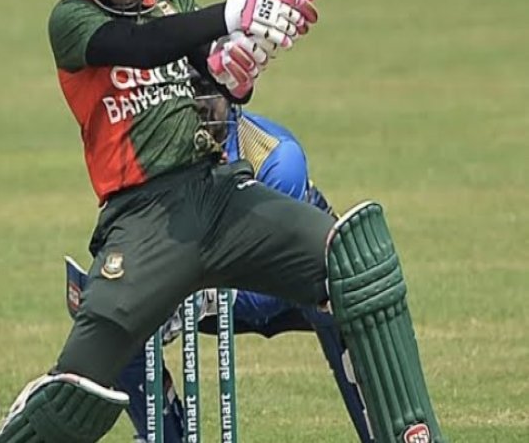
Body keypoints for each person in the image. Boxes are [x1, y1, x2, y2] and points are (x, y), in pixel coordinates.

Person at [0, 0, 445, 443]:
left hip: (221, 197)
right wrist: (235, 11)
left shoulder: (172, 1)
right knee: (78, 382)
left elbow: (210, 74)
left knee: (355, 263)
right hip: (144, 220)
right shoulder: (72, 20)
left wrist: (238, 64)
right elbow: (141, 46)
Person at [104, 70, 372, 442]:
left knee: (351, 302)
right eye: (185, 91)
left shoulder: (276, 155)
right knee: (117, 319)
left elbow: (272, 287)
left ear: (231, 93)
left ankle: (390, 432)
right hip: (208, 285)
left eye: (205, 89)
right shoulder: (155, 155)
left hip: (294, 287)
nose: (196, 104)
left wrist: (199, 298)